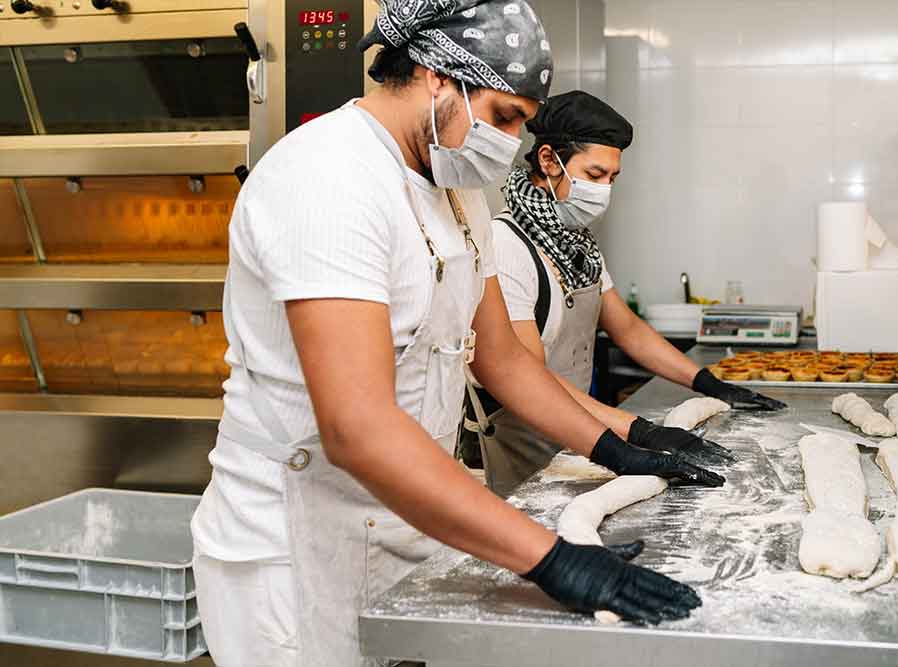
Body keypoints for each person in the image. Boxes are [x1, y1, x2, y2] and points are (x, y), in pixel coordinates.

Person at [190, 3, 725, 666]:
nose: (508, 142)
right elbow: (356, 426)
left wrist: (619, 446)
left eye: (521, 124)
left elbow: (501, 358)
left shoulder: (457, 187)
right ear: (433, 74)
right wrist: (551, 557)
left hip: (408, 521)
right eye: (503, 116)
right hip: (293, 548)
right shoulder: (327, 181)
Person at [466, 91, 786, 497]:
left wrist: (708, 382)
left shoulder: (576, 242)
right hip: (525, 448)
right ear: (548, 160)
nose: (604, 190)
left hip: (583, 438)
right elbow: (528, 377)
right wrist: (639, 431)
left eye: (612, 178)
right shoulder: (506, 246)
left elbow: (628, 329)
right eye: (595, 174)